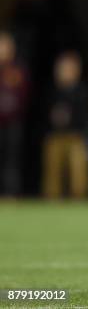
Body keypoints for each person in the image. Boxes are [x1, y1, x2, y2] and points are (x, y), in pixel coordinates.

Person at [42, 51, 88, 199]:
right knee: (53, 174)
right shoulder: (51, 91)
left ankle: (78, 200)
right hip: (55, 136)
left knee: (78, 174)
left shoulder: (82, 91)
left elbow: (87, 115)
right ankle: (52, 201)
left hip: (75, 137)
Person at [0, 31, 29, 195]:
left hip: (13, 122)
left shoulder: (18, 70)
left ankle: (10, 193)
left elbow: (24, 94)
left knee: (11, 161)